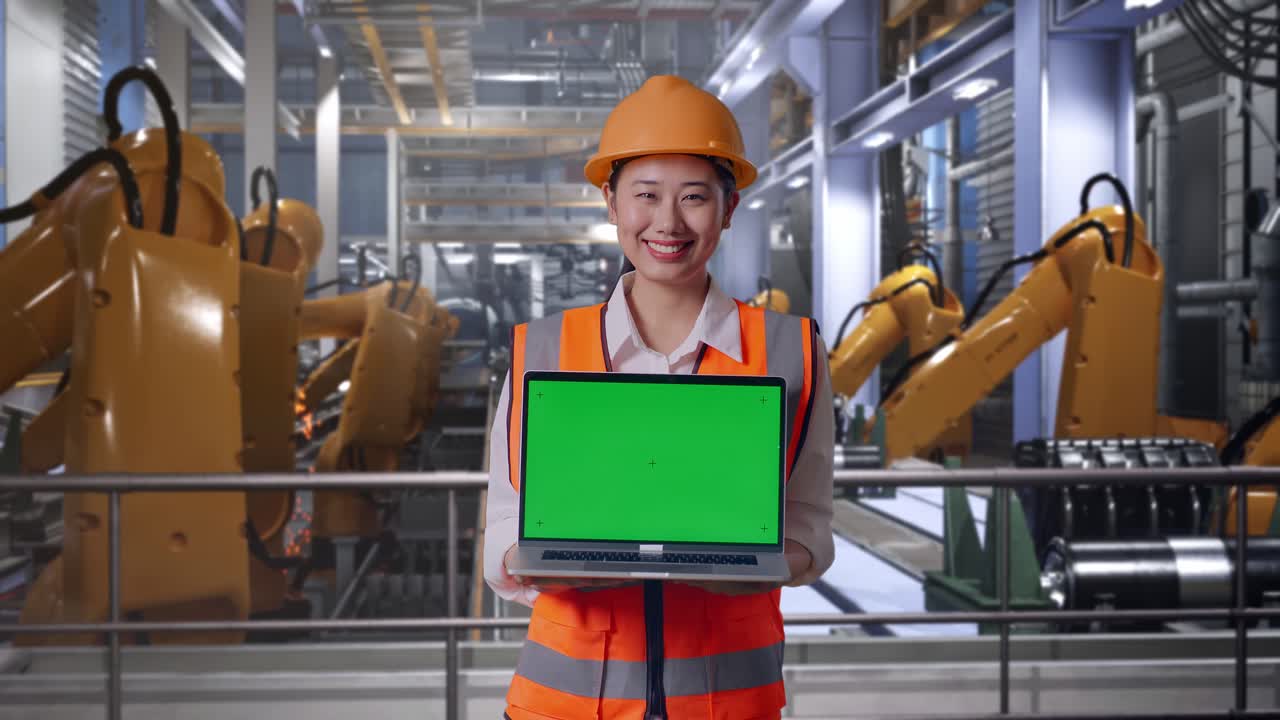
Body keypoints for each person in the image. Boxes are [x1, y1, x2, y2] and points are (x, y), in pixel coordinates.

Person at [484, 74, 835, 720]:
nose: (667, 222)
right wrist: (546, 560)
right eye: (645, 195)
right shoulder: (542, 351)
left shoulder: (793, 351)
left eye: (694, 197)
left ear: (729, 209)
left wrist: (743, 562)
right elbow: (502, 537)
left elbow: (812, 528)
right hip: (561, 706)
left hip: (728, 705)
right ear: (610, 201)